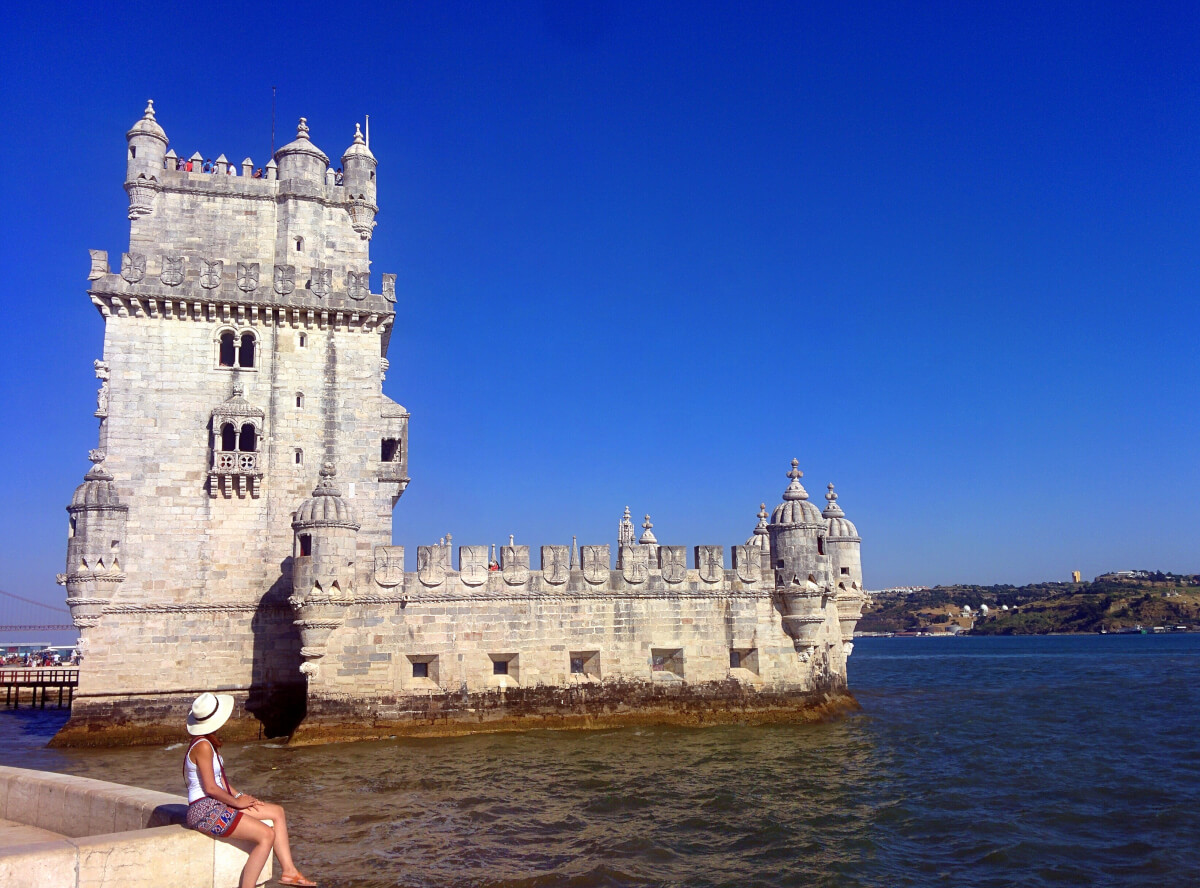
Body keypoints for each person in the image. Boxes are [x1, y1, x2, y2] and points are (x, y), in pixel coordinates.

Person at [183, 692, 317, 888]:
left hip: (217, 803)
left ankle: (289, 872)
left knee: (277, 812)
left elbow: (220, 780)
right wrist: (237, 803)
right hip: (205, 810)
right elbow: (211, 787)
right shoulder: (203, 746)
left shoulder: (208, 742)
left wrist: (239, 795)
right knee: (266, 835)